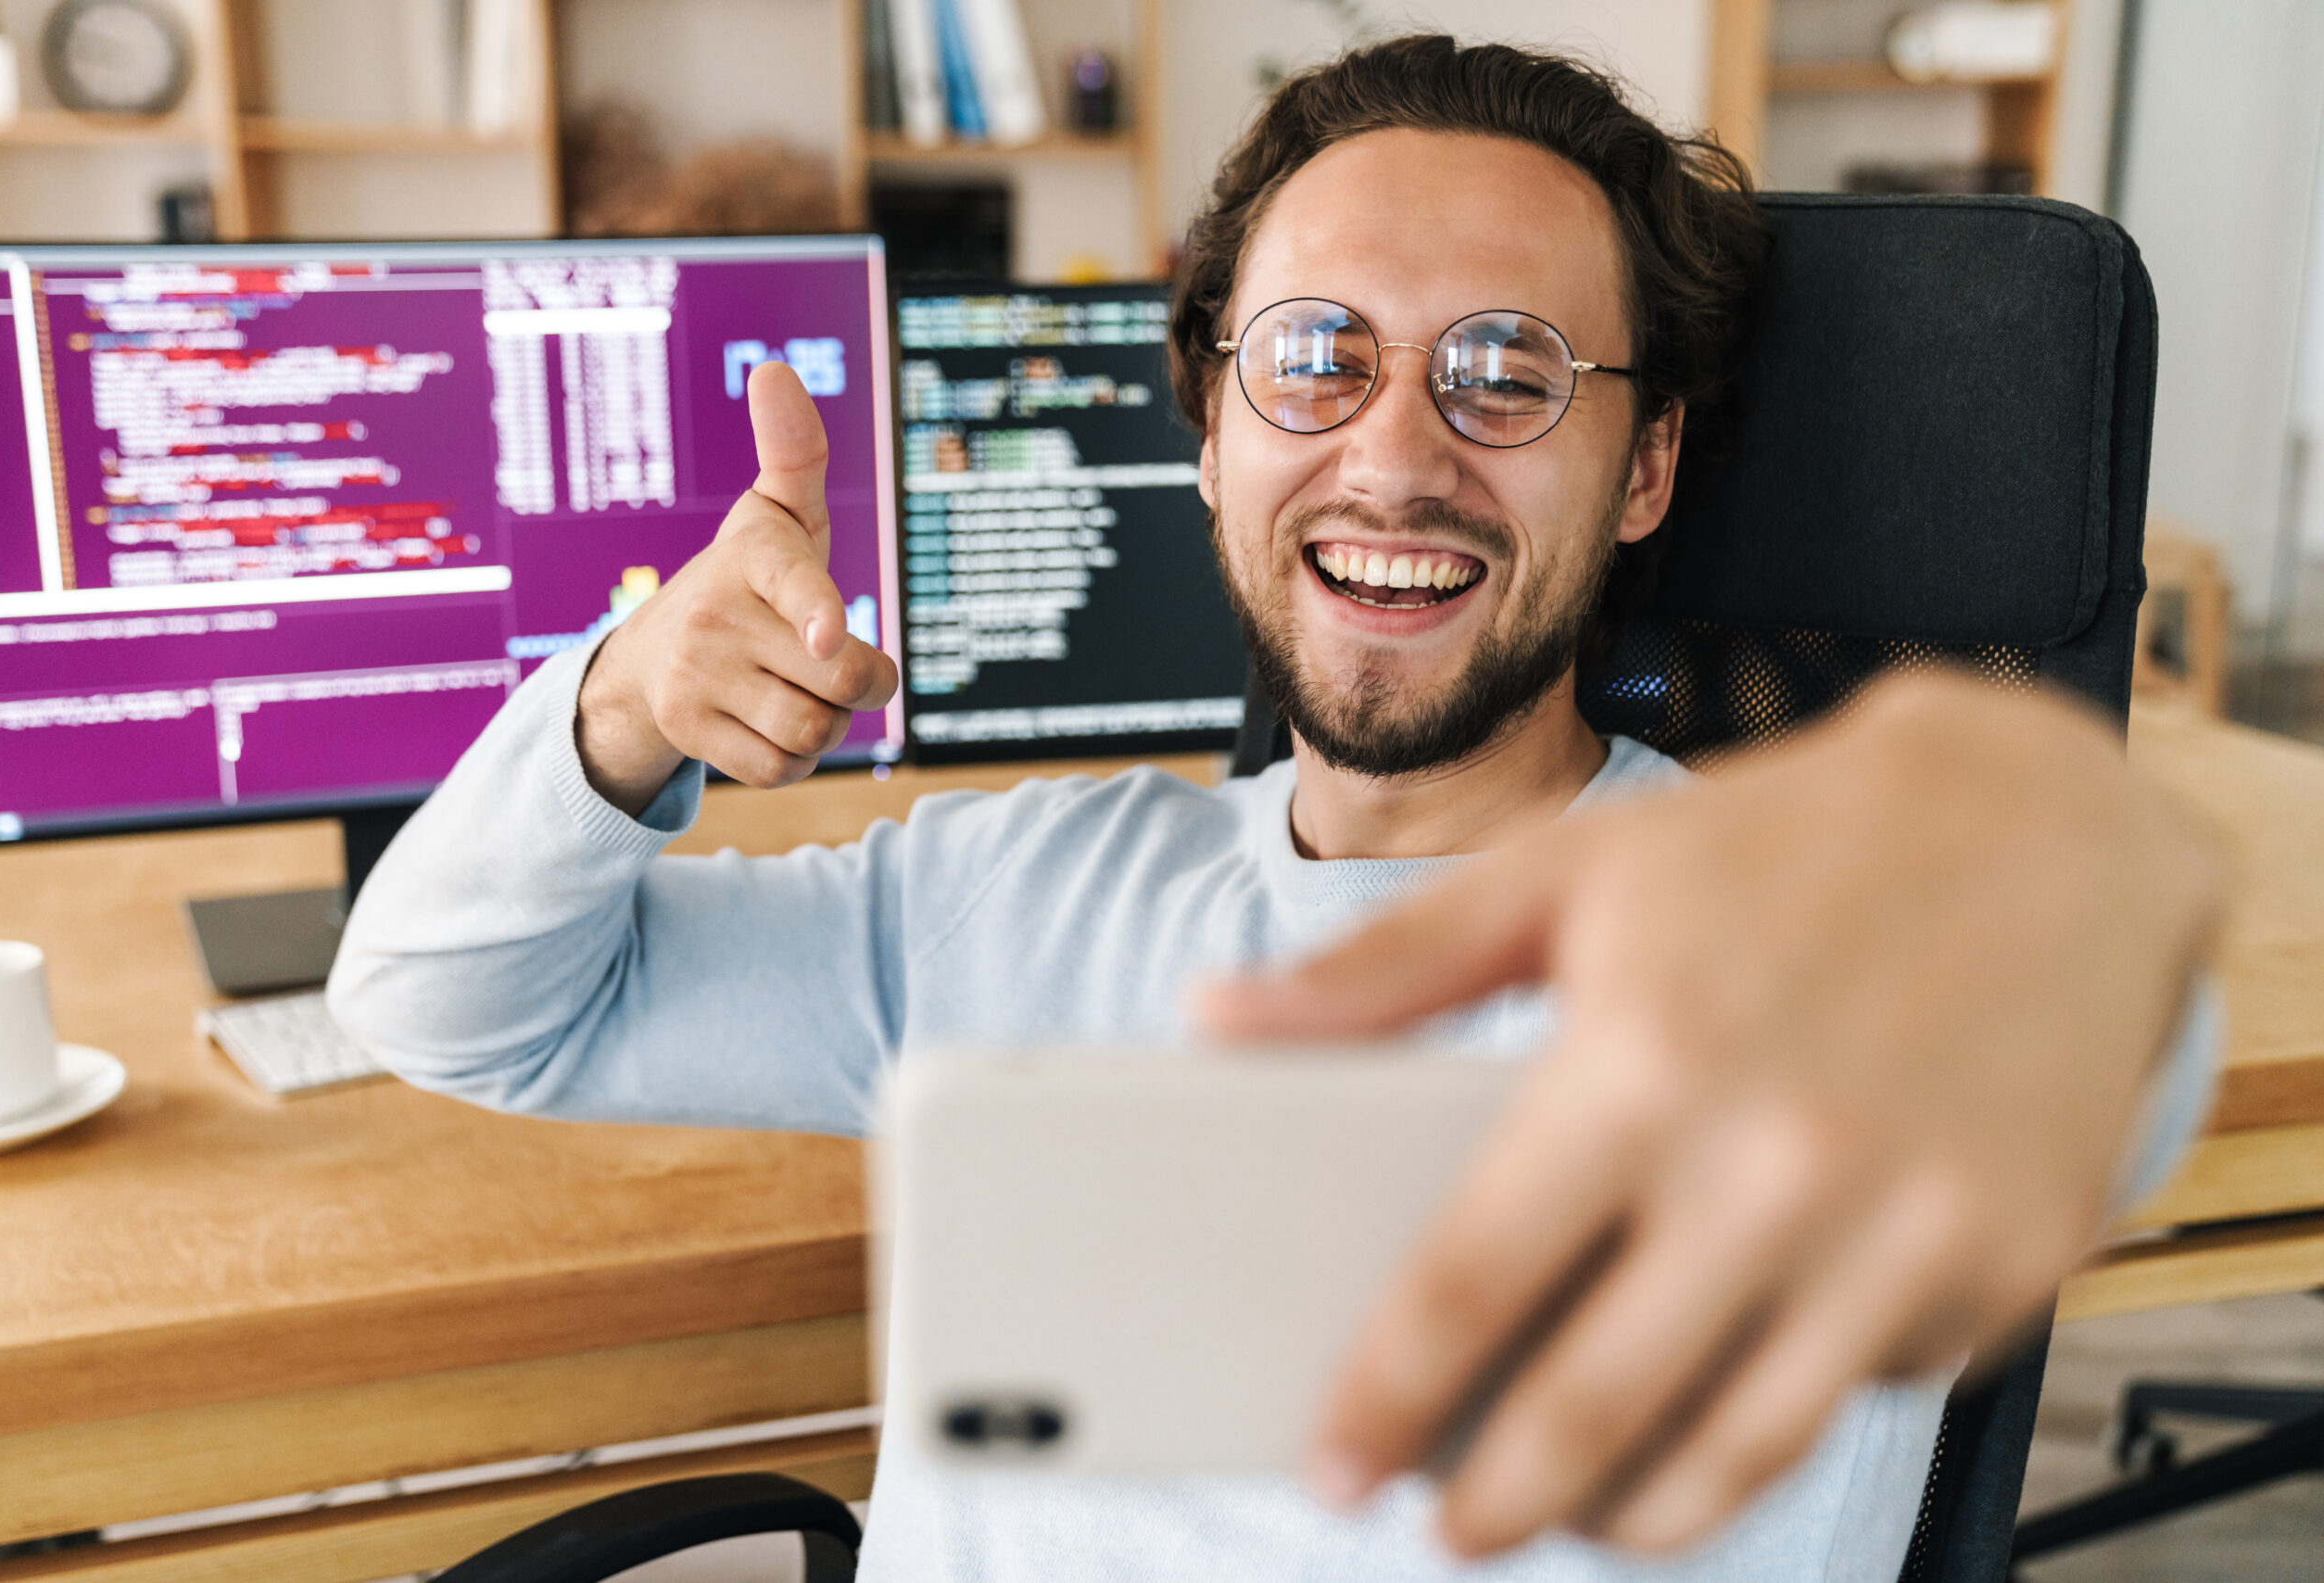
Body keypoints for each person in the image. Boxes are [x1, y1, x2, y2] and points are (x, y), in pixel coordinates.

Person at [331, 35, 2221, 1581]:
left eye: (1506, 371)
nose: (1392, 455)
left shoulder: (1769, 951)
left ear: (1642, 464)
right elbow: (447, 1000)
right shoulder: (1009, 891)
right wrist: (622, 703)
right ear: (1214, 427)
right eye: (1314, 357)